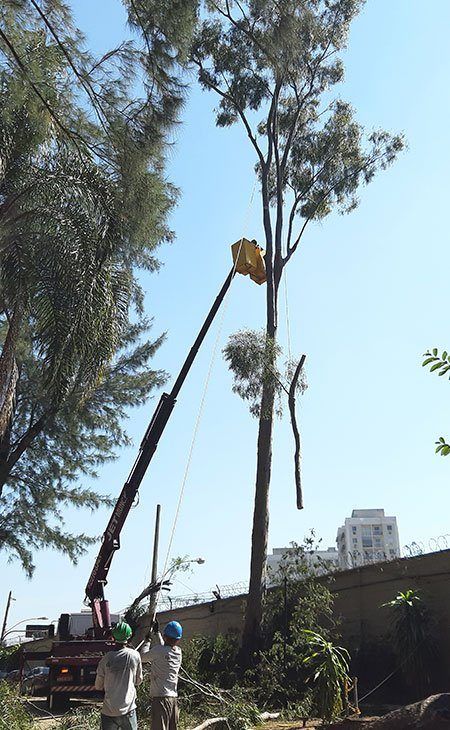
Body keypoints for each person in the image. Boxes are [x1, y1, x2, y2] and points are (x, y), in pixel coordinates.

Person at [95, 621, 143, 730]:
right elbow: (139, 680)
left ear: (113, 636)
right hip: (129, 711)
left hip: (109, 712)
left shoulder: (106, 659)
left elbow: (98, 686)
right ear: (129, 636)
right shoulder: (135, 655)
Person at [140, 620, 183, 730]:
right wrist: (157, 633)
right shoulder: (178, 652)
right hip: (173, 699)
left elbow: (142, 657)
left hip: (161, 699)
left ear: (165, 636)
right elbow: (164, 649)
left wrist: (147, 641)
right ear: (178, 640)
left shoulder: (159, 651)